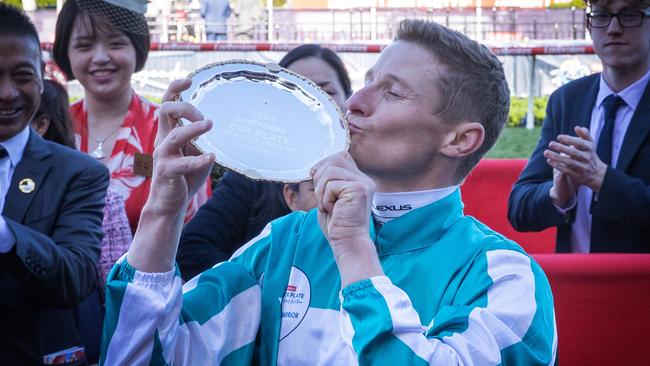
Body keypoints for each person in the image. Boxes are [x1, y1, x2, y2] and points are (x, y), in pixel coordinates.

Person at [101, 20, 557, 364]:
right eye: (368, 81)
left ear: (460, 140)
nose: (355, 102)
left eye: (393, 93)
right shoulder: (285, 240)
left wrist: (356, 253)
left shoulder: (504, 276)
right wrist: (163, 214)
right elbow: (145, 356)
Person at [177, 44, 352, 281]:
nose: (313, 103)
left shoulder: (368, 177)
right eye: (297, 91)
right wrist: (261, 288)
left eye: (326, 92)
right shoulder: (249, 178)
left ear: (347, 100)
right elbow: (193, 249)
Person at [0, 4, 109, 364]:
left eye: (22, 76)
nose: (8, 93)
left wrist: (6, 235)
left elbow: (75, 277)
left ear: (42, 76)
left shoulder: (77, 173)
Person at [52, 0, 211, 234]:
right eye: (84, 45)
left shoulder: (170, 131)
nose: (100, 57)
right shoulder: (49, 128)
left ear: (137, 47)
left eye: (115, 44)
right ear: (66, 52)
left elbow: (197, 230)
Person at [508, 0, 650, 253]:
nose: (613, 28)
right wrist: (557, 195)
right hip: (577, 287)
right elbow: (519, 208)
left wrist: (602, 180)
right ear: (588, 24)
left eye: (630, 14)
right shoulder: (566, 100)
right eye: (601, 15)